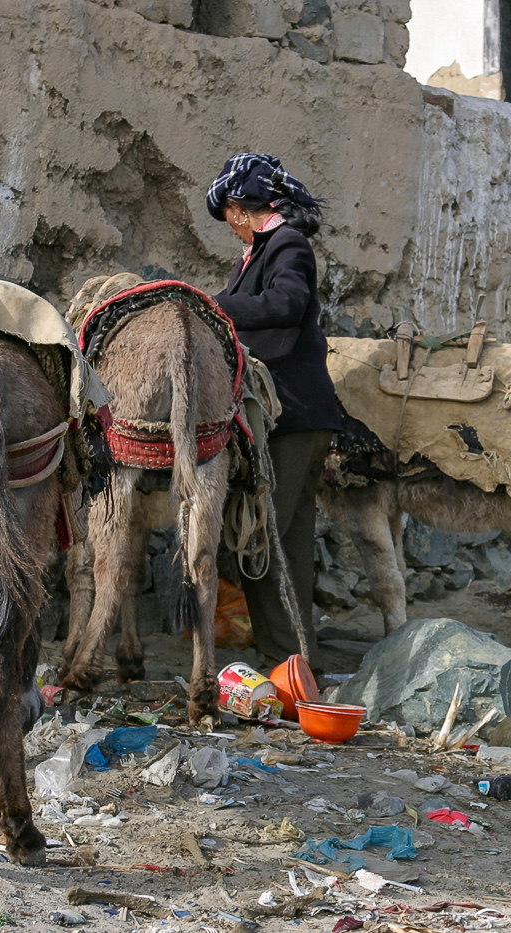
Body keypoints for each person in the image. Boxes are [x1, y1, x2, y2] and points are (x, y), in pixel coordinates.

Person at [207, 153, 340, 669]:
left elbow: (288, 302)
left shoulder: (286, 245)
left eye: (229, 220)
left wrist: (212, 306)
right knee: (290, 542)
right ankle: (299, 659)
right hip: (300, 418)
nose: (231, 230)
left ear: (239, 210)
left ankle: (282, 660)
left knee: (263, 542)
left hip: (293, 416)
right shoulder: (263, 250)